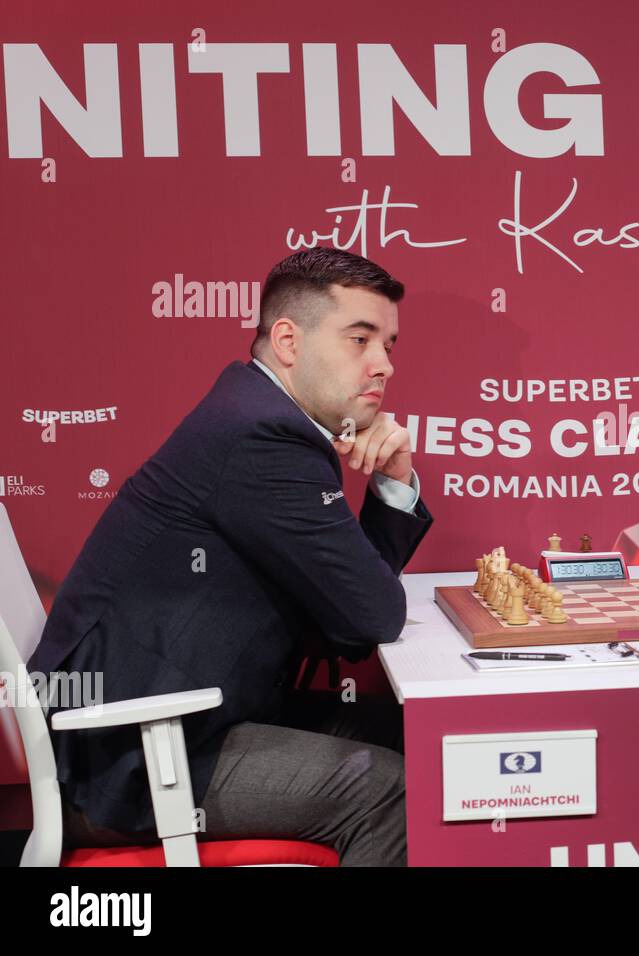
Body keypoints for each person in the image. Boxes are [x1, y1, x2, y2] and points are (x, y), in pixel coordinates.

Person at [28, 248, 431, 865]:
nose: (383, 365)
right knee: (387, 789)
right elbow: (369, 618)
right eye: (360, 339)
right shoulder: (263, 436)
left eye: (390, 345)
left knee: (431, 742)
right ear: (289, 341)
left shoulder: (256, 413)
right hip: (129, 756)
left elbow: (346, 618)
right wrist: (392, 494)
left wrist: (392, 481)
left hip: (185, 716)